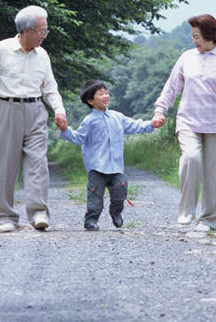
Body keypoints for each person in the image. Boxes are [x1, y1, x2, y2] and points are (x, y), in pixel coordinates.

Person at [0, 5, 67, 233]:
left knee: (38, 163)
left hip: (36, 111)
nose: (44, 36)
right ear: (27, 30)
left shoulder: (43, 55)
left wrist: (59, 110)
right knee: (5, 165)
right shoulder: (1, 49)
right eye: (42, 31)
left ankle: (39, 212)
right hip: (7, 109)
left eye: (46, 31)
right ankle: (5, 216)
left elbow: (50, 88)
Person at [152, 14, 216, 233]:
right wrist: (159, 110)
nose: (194, 40)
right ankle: (186, 210)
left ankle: (208, 220)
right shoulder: (187, 58)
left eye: (197, 36)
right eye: (192, 36)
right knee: (191, 158)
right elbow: (171, 87)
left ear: (211, 35)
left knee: (213, 173)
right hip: (188, 121)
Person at [58, 80, 162, 230]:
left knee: (121, 189)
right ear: (90, 101)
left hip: (116, 166)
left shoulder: (117, 117)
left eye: (106, 93)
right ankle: (91, 220)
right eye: (100, 94)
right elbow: (78, 138)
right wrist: (65, 129)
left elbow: (134, 125)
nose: (105, 96)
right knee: (95, 196)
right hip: (97, 167)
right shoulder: (89, 121)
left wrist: (151, 124)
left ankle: (116, 212)